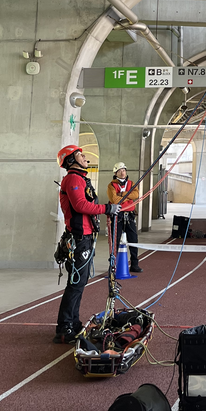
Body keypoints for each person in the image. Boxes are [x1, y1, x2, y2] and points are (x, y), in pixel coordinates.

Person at [54, 145, 119, 343]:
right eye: (81, 155)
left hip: (85, 237)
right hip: (80, 237)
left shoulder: (80, 178)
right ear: (71, 160)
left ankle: (72, 322)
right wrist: (107, 208)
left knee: (79, 283)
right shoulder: (73, 178)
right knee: (75, 284)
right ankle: (65, 328)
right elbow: (80, 205)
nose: (85, 158)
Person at [107, 161, 142, 273]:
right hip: (118, 215)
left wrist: (122, 194)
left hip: (130, 215)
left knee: (133, 240)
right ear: (115, 173)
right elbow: (114, 200)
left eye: (124, 170)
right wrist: (128, 196)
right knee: (115, 241)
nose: (123, 172)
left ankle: (134, 264)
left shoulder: (131, 183)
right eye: (120, 171)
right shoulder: (111, 185)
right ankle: (113, 265)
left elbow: (136, 195)